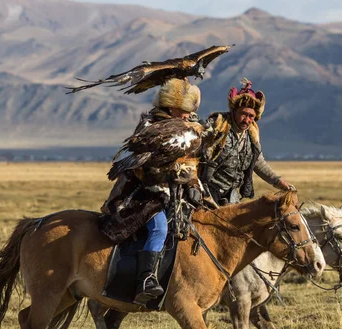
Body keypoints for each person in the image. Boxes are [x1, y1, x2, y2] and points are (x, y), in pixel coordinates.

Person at [101, 78, 203, 305]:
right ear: (170, 106)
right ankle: (145, 280)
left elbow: (189, 163)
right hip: (141, 194)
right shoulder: (149, 125)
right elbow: (144, 168)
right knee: (159, 228)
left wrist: (193, 185)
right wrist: (171, 174)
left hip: (171, 193)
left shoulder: (185, 128)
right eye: (183, 110)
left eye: (189, 111)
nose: (187, 114)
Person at [201, 78, 293, 206]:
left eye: (251, 116)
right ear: (233, 111)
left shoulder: (252, 135)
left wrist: (278, 182)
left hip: (231, 195)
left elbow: (258, 163)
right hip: (206, 193)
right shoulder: (217, 126)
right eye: (243, 114)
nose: (247, 120)